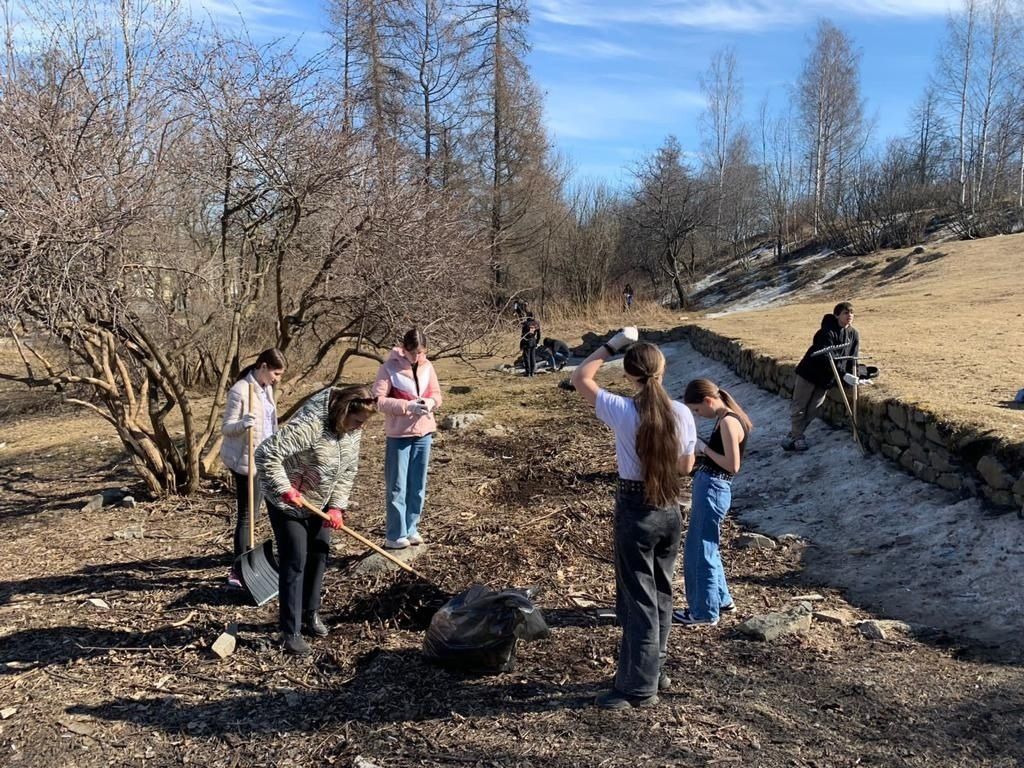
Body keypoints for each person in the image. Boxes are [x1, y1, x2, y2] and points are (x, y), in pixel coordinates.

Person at [570, 328, 697, 710]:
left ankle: (638, 688)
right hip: (669, 508)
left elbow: (580, 377)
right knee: (661, 593)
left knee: (638, 601)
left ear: (629, 375)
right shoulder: (682, 412)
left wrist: (612, 344)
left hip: (635, 508)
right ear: (662, 369)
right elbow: (687, 466)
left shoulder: (623, 410)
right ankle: (653, 668)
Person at [254, 385, 375, 655]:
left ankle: (310, 614)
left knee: (319, 553)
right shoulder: (310, 425)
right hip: (287, 501)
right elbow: (265, 453)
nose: (359, 428)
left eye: (363, 424)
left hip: (320, 503)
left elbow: (348, 470)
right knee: (295, 559)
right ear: (344, 410)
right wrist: (285, 488)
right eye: (356, 422)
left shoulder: (353, 431)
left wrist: (337, 508)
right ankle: (290, 631)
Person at [673, 379, 752, 627]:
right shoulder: (726, 418)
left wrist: (703, 449)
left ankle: (704, 612)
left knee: (700, 550)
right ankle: (721, 598)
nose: (698, 415)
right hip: (711, 485)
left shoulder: (728, 421)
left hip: (714, 487)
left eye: (697, 410)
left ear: (708, 400)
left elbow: (732, 465)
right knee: (709, 545)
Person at [371, 328, 443, 550]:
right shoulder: (388, 368)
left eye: (421, 353)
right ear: (404, 349)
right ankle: (395, 533)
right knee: (397, 486)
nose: (417, 357)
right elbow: (378, 401)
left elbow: (437, 395)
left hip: (424, 432)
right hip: (399, 434)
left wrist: (431, 403)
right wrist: (406, 406)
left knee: (417, 484)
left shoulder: (428, 366)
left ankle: (412, 528)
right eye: (414, 353)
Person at [220, 348, 286, 589]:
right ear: (263, 366)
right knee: (247, 515)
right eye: (276, 373)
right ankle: (238, 570)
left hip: (265, 458)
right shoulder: (240, 391)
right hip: (245, 462)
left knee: (260, 513)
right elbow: (226, 428)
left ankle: (253, 561)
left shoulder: (266, 389)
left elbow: (269, 423)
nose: (278, 378)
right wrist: (242, 424)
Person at [782, 302, 860, 452]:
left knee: (813, 409)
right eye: (845, 313)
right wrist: (843, 375)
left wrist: (855, 375)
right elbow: (826, 356)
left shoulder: (853, 334)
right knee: (800, 406)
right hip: (810, 373)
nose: (849, 316)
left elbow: (852, 357)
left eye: (851, 313)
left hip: (826, 379)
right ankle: (798, 438)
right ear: (837, 315)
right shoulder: (826, 332)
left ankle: (794, 435)